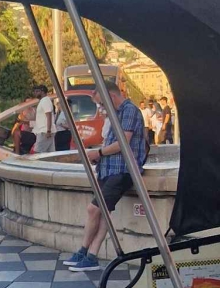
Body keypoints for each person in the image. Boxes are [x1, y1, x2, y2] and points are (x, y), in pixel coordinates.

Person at [64, 79, 149, 272]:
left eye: (102, 103)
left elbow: (122, 143)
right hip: (110, 169)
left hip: (121, 171)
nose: (101, 108)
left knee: (94, 209)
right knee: (103, 212)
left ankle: (86, 252)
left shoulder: (129, 111)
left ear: (111, 96)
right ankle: (89, 255)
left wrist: (99, 153)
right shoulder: (117, 113)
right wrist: (100, 157)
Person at [33, 85, 57, 154]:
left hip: (44, 131)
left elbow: (48, 115)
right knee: (49, 154)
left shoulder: (45, 101)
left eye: (37, 91)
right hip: (45, 131)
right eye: (34, 91)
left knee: (37, 153)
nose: (35, 93)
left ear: (42, 91)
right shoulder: (44, 101)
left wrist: (48, 131)